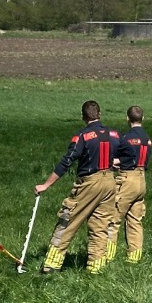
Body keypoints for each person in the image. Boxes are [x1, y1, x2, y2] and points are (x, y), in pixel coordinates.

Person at [34, 100, 120, 275]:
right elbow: (122, 155)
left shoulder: (82, 136)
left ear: (83, 117)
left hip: (90, 183)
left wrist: (46, 185)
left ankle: (51, 265)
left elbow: (67, 161)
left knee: (68, 220)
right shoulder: (114, 134)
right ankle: (96, 268)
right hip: (110, 181)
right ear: (100, 114)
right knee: (100, 225)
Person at [103, 106, 151, 267]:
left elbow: (120, 158)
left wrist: (115, 163)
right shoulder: (147, 138)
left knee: (113, 219)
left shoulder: (126, 138)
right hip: (141, 180)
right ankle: (134, 258)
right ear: (143, 119)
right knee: (135, 220)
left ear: (127, 119)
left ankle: (107, 256)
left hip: (127, 179)